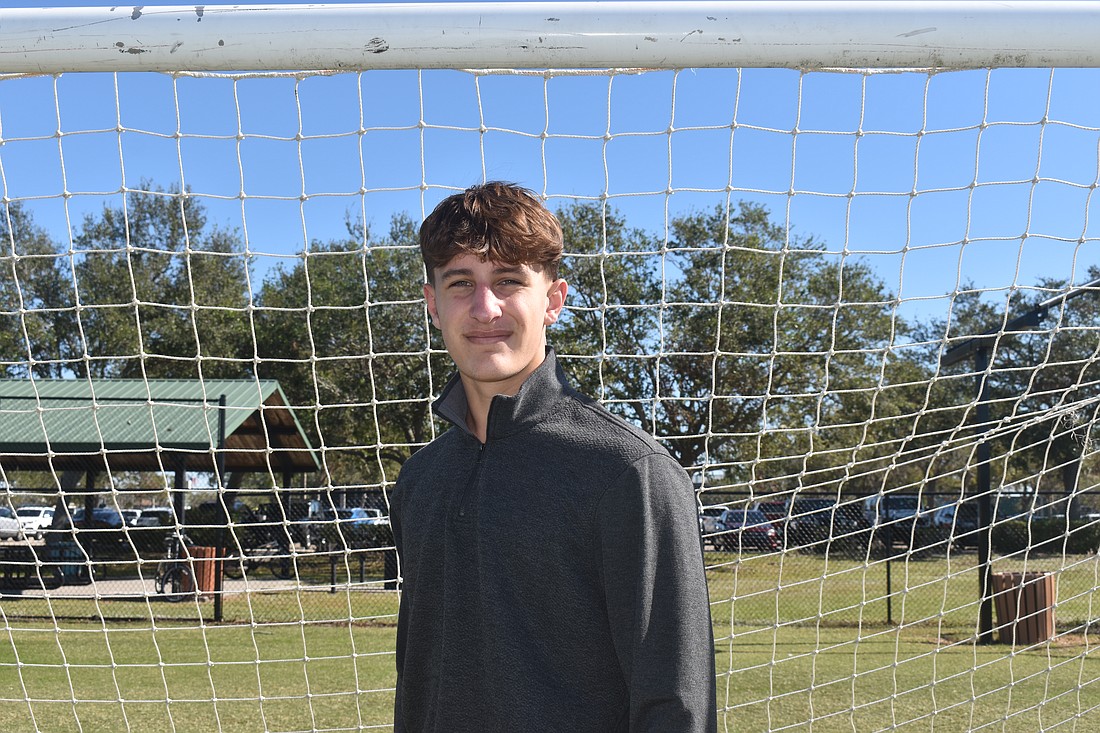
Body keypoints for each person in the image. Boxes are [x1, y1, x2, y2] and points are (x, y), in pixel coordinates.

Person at [390, 182, 717, 732]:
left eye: (509, 281)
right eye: (461, 283)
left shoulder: (628, 473)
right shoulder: (421, 479)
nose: (484, 307)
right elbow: (416, 680)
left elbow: (675, 701)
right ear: (433, 304)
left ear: (554, 300)